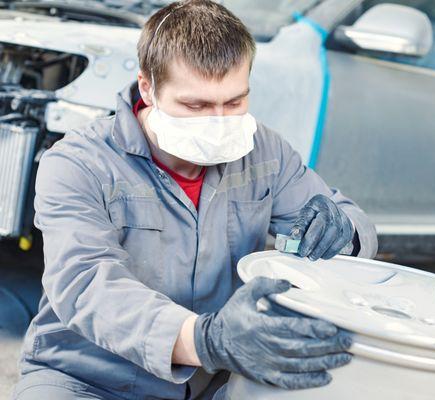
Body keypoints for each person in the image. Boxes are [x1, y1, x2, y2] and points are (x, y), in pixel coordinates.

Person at [12, 1, 378, 399]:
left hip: (214, 381)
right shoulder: (79, 162)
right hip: (87, 378)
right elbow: (86, 286)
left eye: (235, 102)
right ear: (148, 87)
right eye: (196, 105)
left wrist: (345, 233)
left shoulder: (265, 153)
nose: (220, 123)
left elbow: (352, 222)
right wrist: (206, 340)